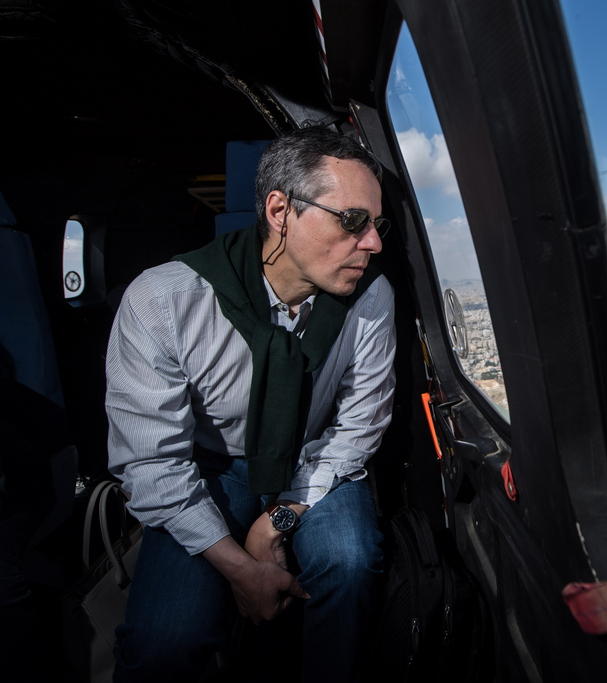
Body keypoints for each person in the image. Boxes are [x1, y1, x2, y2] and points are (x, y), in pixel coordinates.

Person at [105, 126, 396, 681]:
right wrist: (241, 568)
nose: (373, 244)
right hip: (206, 467)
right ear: (280, 210)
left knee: (350, 565)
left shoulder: (371, 298)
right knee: (165, 642)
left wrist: (282, 515)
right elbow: (153, 463)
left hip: (313, 458)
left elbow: (359, 425)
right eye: (352, 221)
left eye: (376, 225)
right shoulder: (164, 300)